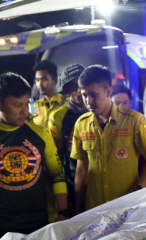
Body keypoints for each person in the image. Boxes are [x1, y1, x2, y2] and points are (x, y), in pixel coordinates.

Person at [0, 72, 69, 240]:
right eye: (17, 105)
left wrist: (63, 212)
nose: (25, 111)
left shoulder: (41, 134)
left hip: (40, 225)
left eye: (27, 104)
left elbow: (57, 174)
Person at [71, 65, 146, 214]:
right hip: (94, 209)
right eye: (85, 95)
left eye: (93, 95)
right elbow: (81, 170)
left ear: (108, 91)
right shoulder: (81, 124)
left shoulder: (134, 121)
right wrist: (77, 207)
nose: (88, 101)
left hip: (126, 208)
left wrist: (139, 189)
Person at [48, 63, 86, 215]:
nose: (77, 91)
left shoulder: (100, 111)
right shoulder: (57, 117)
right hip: (71, 187)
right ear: (66, 92)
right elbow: (55, 159)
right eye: (71, 87)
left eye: (79, 85)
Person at [32, 60, 66, 127]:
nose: (40, 84)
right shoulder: (33, 106)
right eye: (37, 80)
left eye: (44, 79)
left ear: (55, 80)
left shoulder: (66, 103)